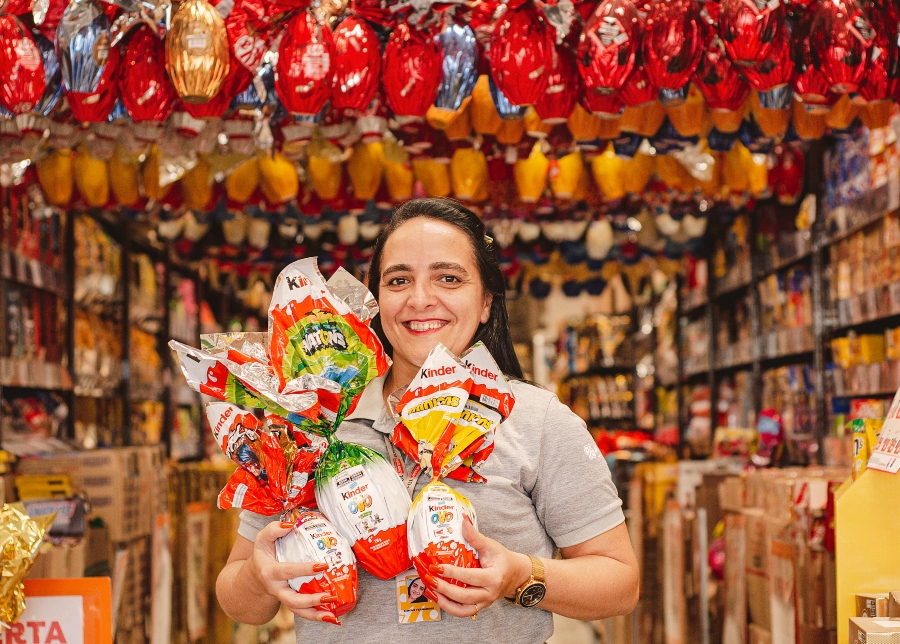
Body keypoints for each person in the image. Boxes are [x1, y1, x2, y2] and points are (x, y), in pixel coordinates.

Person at [216, 198, 640, 643]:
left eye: (449, 278)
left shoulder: (537, 422)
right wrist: (258, 579)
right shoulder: (315, 421)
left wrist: (519, 575)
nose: (420, 299)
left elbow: (619, 584)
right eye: (398, 280)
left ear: (485, 303)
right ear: (375, 303)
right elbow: (238, 599)